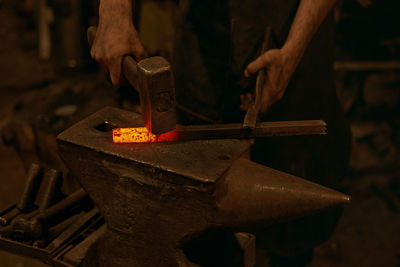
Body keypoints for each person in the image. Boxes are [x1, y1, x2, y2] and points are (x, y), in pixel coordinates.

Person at [91, 0, 351, 266]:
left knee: (296, 201)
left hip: (295, 26)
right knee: (195, 199)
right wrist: (114, 12)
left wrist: (293, 49)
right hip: (205, 35)